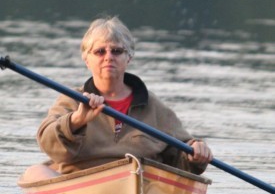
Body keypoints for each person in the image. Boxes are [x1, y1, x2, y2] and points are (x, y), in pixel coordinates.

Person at [23, 16, 213, 181]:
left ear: (128, 57)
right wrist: (77, 120)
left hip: (143, 186)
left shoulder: (154, 106)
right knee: (35, 172)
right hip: (82, 186)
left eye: (116, 51)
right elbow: (48, 143)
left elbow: (180, 159)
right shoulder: (72, 100)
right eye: (99, 52)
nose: (108, 57)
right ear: (86, 59)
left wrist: (195, 153)